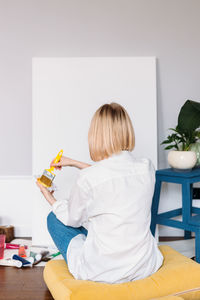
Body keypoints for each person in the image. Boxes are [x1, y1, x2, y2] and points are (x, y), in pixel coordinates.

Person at [36, 102, 163, 284]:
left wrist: (47, 195)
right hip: (144, 265)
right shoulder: (147, 167)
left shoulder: (88, 178)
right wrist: (74, 162)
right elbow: (115, 175)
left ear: (95, 135)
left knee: (54, 218)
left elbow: (72, 219)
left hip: (103, 271)